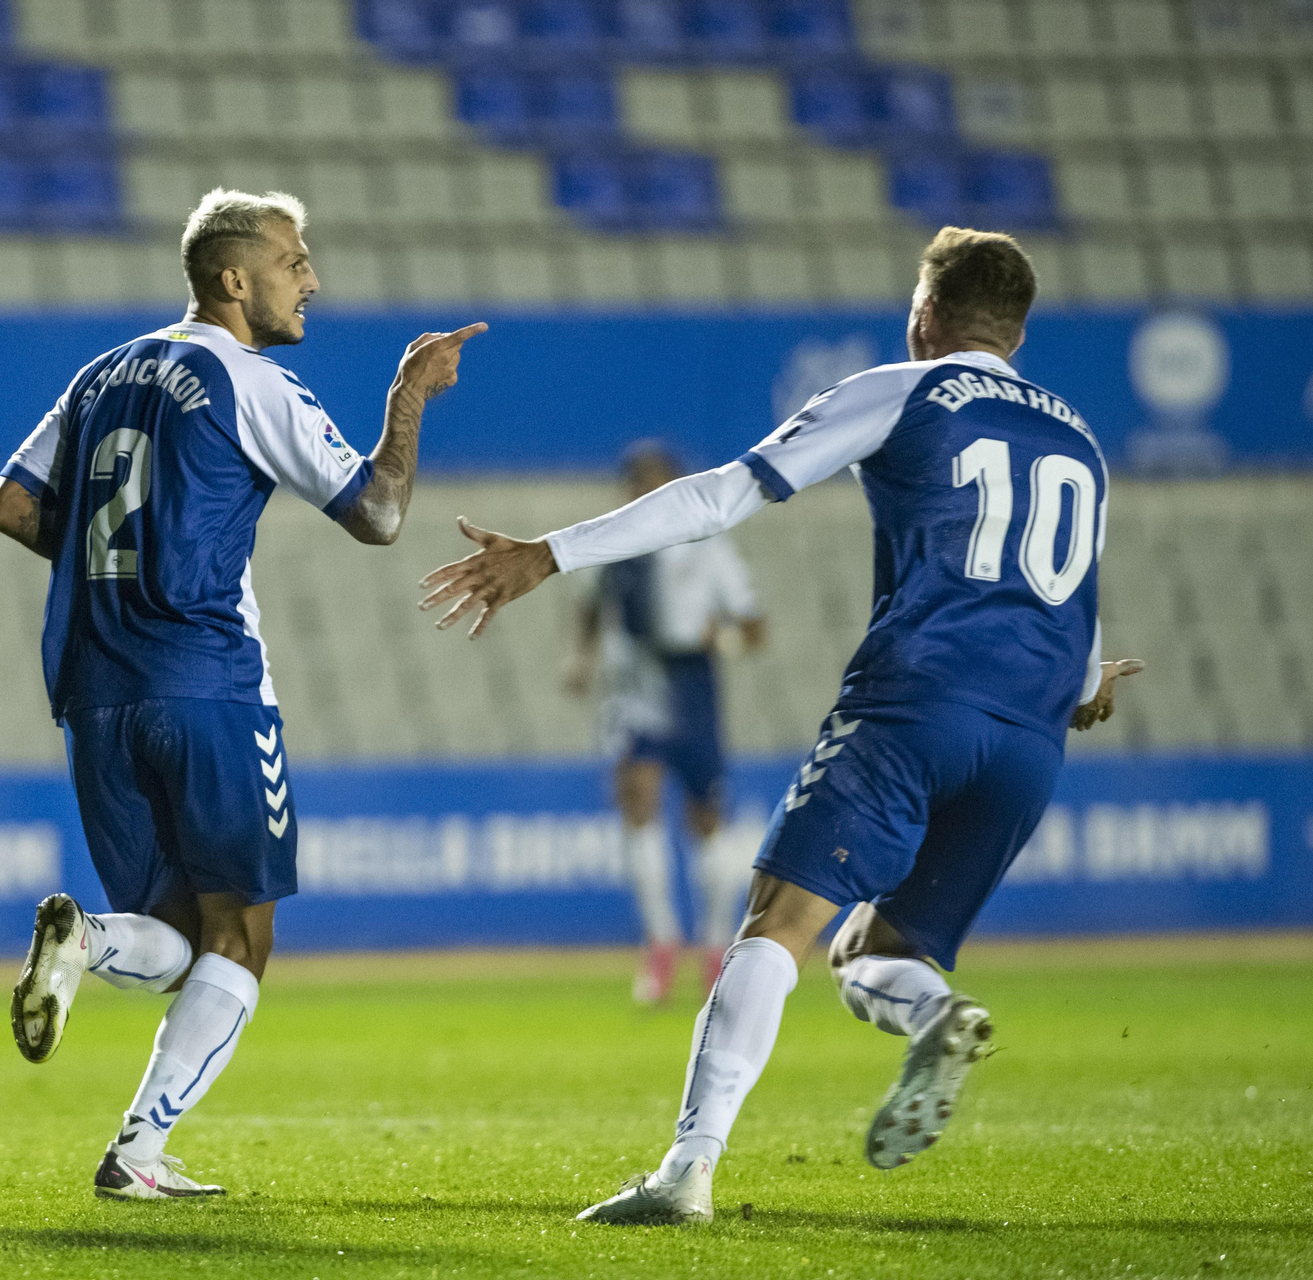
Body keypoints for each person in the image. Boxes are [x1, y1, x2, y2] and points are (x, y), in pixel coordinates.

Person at [417, 227, 1143, 1223]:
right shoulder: (1079, 440)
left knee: (775, 927)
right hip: (1029, 736)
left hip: (916, 702)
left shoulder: (906, 389)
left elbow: (724, 494)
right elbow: (1077, 614)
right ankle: (937, 1014)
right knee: (875, 955)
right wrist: (1092, 679)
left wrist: (550, 552)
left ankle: (688, 1170)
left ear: (926, 314)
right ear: (1015, 332)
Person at [0, 187, 485, 1200]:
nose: (311, 282)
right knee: (242, 939)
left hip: (93, 688)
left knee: (179, 942)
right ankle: (136, 1148)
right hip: (206, 681)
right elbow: (379, 514)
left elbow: (11, 504)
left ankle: (88, 942)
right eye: (293, 263)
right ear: (233, 278)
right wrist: (409, 396)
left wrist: (113, 572)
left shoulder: (100, 374)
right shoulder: (249, 379)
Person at [564, 439, 766, 1004]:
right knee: (637, 797)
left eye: (654, 480)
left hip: (692, 688)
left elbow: (753, 627)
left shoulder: (708, 545)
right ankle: (660, 942)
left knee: (705, 818)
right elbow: (590, 603)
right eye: (636, 481)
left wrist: (718, 640)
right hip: (635, 693)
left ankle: (714, 945)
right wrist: (581, 659)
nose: (643, 490)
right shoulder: (613, 542)